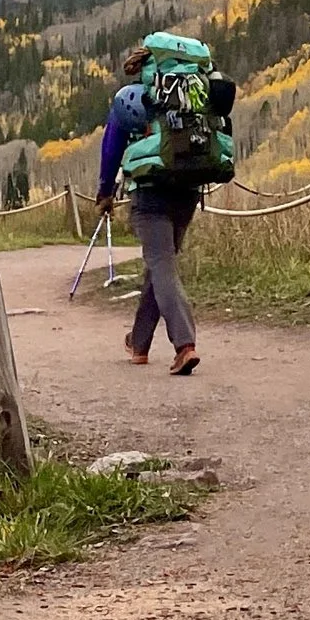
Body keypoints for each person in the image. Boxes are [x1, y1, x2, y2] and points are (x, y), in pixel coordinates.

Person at [97, 42, 204, 376]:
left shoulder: (133, 98)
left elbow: (111, 147)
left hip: (150, 192)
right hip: (188, 189)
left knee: (162, 266)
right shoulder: (192, 92)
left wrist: (104, 193)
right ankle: (139, 344)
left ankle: (184, 345)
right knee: (159, 265)